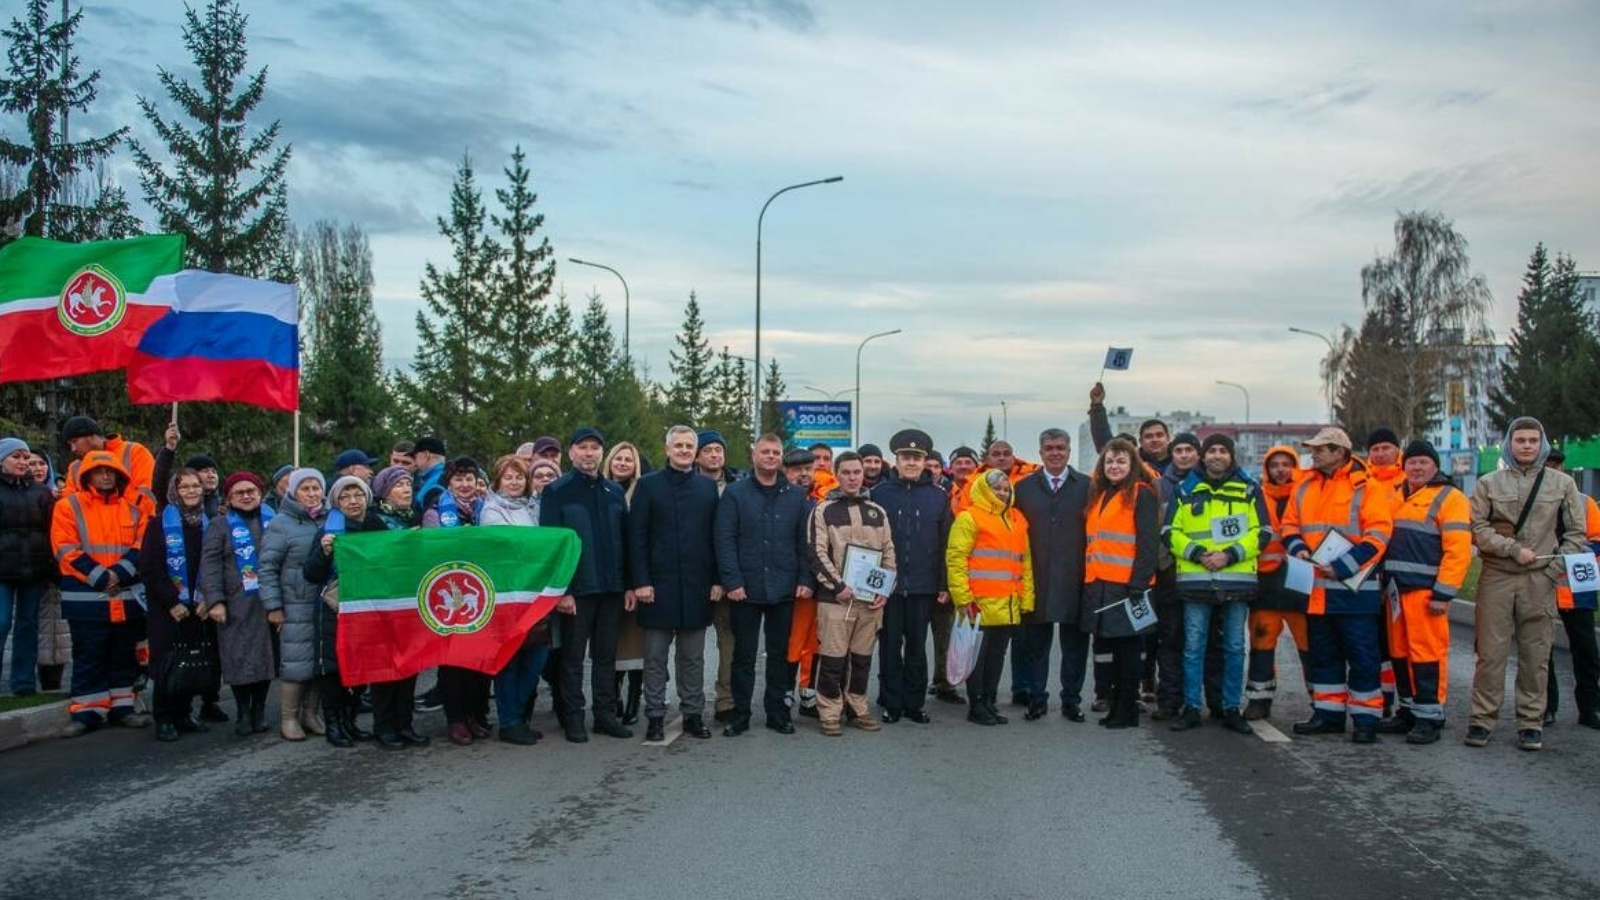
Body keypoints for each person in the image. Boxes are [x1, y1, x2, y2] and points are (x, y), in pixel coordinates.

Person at [1467, 417, 1587, 751]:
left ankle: (1531, 723)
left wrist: (1552, 571)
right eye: (1520, 440)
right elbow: (1477, 528)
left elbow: (1576, 534)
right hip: (1498, 576)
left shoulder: (1562, 484)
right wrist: (1511, 549)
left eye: (1533, 440)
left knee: (1536, 655)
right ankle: (1481, 720)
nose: (1527, 446)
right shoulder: (1489, 483)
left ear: (1542, 443)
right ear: (1510, 443)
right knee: (1490, 655)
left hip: (1539, 579)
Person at [1280, 427, 1394, 744]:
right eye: (1313, 449)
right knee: (1324, 656)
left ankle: (1366, 719)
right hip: (1317, 590)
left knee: (1362, 657)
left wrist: (1343, 566)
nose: (1313, 454)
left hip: (1354, 591)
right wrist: (1298, 549)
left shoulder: (1367, 486)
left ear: (1339, 452)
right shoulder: (1304, 486)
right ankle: (1328, 715)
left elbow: (1378, 535)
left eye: (1320, 449)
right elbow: (1289, 525)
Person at [1165, 434, 1264, 736]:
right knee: (1193, 647)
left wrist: (1229, 555)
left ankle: (1231, 707)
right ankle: (1192, 707)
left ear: (1231, 456)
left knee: (1234, 647)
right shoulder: (1185, 489)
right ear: (1203, 456)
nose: (1217, 455)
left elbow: (1262, 532)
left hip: (1236, 580)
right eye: (1212, 451)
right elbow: (1169, 531)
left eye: (1223, 450)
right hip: (1196, 579)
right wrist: (1197, 554)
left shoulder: (1249, 489)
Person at [714, 433, 812, 736]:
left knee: (779, 655)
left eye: (775, 452)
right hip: (745, 589)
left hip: (784, 587)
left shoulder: (796, 496)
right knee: (743, 655)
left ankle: (777, 713)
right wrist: (732, 581)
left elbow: (804, 542)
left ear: (781, 458)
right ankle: (740, 714)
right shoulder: (735, 493)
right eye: (765, 451)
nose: (770, 456)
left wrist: (805, 579)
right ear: (754, 455)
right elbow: (724, 539)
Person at [1374, 440, 1471, 745]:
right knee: (1399, 653)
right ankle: (1408, 711)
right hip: (1395, 591)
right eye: (1412, 462)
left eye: (1423, 462)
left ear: (1435, 466)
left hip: (1426, 592)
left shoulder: (1450, 497)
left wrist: (1443, 594)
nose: (1416, 468)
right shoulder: (1397, 495)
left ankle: (1430, 717)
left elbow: (1458, 551)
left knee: (1427, 654)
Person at [630, 425, 722, 742]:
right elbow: (637, 537)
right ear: (667, 449)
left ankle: (693, 715)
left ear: (695, 452)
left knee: (692, 658)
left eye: (688, 446)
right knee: (655, 657)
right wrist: (641, 581)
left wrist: (717, 580)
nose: (684, 450)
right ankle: (655, 715)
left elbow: (716, 537)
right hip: (657, 586)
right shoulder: (648, 485)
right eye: (678, 445)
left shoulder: (707, 488)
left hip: (697, 585)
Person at [542, 427, 633, 743]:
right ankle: (573, 717)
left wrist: (629, 584)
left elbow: (626, 541)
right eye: (583, 447)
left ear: (601, 453)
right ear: (571, 453)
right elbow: (552, 546)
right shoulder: (557, 491)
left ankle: (605, 716)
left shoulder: (614, 492)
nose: (589, 453)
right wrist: (563, 591)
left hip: (611, 587)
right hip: (577, 590)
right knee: (572, 659)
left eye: (595, 447)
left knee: (606, 657)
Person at [51, 450, 150, 736]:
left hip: (124, 596)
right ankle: (86, 713)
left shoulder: (133, 509)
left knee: (123, 655)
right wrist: (103, 578)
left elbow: (141, 547)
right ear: (87, 477)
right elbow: (64, 548)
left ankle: (123, 708)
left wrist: (118, 574)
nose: (105, 476)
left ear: (120, 476)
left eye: (110, 472)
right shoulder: (68, 506)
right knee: (88, 655)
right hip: (87, 598)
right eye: (99, 472)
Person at [807, 451, 896, 736]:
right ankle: (829, 712)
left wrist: (885, 589)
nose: (852, 477)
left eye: (857, 472)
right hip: (836, 599)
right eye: (846, 472)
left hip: (869, 602)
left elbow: (888, 552)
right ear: (837, 474)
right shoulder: (823, 510)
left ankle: (857, 708)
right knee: (832, 660)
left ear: (863, 474)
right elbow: (816, 553)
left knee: (861, 660)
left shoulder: (877, 511)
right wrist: (838, 586)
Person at [870, 429, 948, 724]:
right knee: (890, 647)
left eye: (917, 457)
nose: (911, 462)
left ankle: (914, 704)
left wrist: (942, 584)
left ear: (925, 461)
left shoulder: (938, 497)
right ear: (897, 460)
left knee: (917, 647)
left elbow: (944, 543)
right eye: (906, 457)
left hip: (923, 586)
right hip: (888, 586)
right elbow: (870, 542)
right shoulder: (879, 494)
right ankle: (891, 702)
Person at [1013, 428, 1091, 722]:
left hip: (1076, 578)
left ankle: (1071, 700)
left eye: (1060, 448)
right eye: (1049, 448)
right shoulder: (1023, 488)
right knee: (1035, 645)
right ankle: (1037, 698)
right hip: (1037, 579)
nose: (1055, 453)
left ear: (1069, 451)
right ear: (1041, 452)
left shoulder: (1087, 486)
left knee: (1075, 646)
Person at [472, 455, 550, 746]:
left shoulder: (534, 507)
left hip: (535, 595)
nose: (515, 482)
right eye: (509, 477)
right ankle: (509, 721)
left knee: (535, 658)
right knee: (510, 661)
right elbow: (508, 548)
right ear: (498, 481)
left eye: (519, 477)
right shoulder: (492, 510)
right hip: (507, 596)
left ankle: (516, 717)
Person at [947, 468, 1034, 726]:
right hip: (978, 603)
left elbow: (1025, 563)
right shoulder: (969, 518)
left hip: (1008, 603)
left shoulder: (1017, 519)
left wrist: (1026, 598)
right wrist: (963, 598)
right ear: (984, 490)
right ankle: (976, 705)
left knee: (996, 657)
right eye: (997, 488)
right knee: (977, 657)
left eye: (1006, 489)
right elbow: (956, 559)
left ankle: (989, 701)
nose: (1002, 493)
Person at [1083, 438, 1160, 730]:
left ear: (1132, 465)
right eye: (1110, 461)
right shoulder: (1101, 494)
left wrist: (1139, 582)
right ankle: (1115, 706)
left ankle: (1127, 710)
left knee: (1129, 651)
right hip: (1100, 584)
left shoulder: (1142, 493)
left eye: (1121, 461)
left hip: (1128, 586)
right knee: (1112, 650)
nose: (1114, 466)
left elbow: (1148, 542)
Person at [421, 457, 497, 745]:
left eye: (469, 479)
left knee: (480, 658)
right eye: (458, 479)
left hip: (482, 591)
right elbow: (431, 552)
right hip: (451, 593)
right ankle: (456, 718)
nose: (465, 485)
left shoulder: (485, 509)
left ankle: (475, 714)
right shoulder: (435, 513)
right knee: (454, 661)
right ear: (448, 483)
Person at [298, 475, 377, 748]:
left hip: (366, 605)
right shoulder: (328, 532)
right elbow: (311, 574)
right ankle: (334, 722)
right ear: (336, 502)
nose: (353, 501)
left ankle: (350, 720)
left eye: (358, 495)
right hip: (335, 607)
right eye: (345, 496)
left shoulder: (376, 526)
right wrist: (324, 552)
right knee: (333, 667)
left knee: (361, 664)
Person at [138, 469, 213, 741]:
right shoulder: (159, 524)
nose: (192, 491)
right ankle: (165, 718)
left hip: (199, 605)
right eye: (185, 487)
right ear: (175, 491)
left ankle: (184, 713)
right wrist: (171, 601)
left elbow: (214, 564)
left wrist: (208, 598)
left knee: (191, 660)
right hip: (167, 607)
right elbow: (149, 567)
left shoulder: (208, 523)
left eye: (196, 486)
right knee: (167, 662)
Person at [199, 472, 277, 736]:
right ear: (229, 498)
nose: (246, 496)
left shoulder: (273, 520)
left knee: (266, 659)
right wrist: (215, 601)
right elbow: (210, 565)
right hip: (235, 603)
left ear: (260, 493)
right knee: (238, 658)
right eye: (239, 493)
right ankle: (243, 711)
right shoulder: (219, 525)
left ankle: (259, 711)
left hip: (269, 602)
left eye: (251, 491)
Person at [260, 468, 329, 742]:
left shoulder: (330, 519)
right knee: (295, 663)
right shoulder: (281, 523)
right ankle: (288, 718)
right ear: (293, 492)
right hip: (295, 603)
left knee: (318, 661)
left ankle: (311, 713)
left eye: (316, 488)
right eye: (305, 489)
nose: (312, 494)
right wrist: (273, 606)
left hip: (323, 602)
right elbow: (267, 567)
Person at [363, 466, 429, 746]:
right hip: (383, 601)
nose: (406, 490)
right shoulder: (372, 520)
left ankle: (405, 723)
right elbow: (371, 558)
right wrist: (402, 543)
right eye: (399, 485)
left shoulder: (414, 516)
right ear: (384, 491)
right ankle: (384, 726)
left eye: (408, 485)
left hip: (410, 600)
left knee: (410, 664)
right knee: (385, 666)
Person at [1245, 445, 1310, 720]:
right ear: (1266, 469)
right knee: (1261, 642)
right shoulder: (1256, 496)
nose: (1281, 470)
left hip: (1300, 582)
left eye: (1286, 464)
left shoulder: (1307, 494)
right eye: (1275, 465)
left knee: (1309, 644)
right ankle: (1259, 699)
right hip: (1266, 581)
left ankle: (1322, 701)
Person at [1544, 448, 1600, 730]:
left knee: (1587, 651)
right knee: (1542, 653)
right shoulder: (1532, 501)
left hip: (1578, 588)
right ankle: (1546, 707)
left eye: (1556, 466)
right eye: (1547, 465)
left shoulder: (1584, 502)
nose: (1552, 470)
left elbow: (1597, 539)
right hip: (1543, 586)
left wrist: (1573, 552)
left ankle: (1590, 708)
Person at [0, 438, 54, 698]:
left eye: (25, 457)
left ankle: (23, 685)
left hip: (34, 568)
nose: (22, 462)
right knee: (1, 623)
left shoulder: (41, 492)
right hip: (2, 570)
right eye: (16, 457)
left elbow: (51, 529)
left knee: (28, 625)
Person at [696, 429, 741, 724]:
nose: (714, 455)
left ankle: (726, 700)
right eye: (708, 450)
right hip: (693, 576)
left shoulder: (737, 487)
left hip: (727, 577)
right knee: (690, 644)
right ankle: (691, 703)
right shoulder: (686, 485)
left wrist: (728, 578)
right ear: (697, 456)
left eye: (718, 450)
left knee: (728, 641)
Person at [604, 442, 646, 725]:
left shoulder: (642, 491)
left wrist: (636, 581)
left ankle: (633, 700)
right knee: (610, 643)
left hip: (634, 579)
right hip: (608, 579)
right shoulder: (601, 489)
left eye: (628, 459)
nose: (622, 463)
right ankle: (612, 697)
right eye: (617, 458)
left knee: (635, 644)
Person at [782, 446, 824, 716]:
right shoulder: (782, 500)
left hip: (821, 584)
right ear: (786, 472)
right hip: (794, 584)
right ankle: (786, 690)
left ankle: (809, 692)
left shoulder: (823, 499)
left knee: (815, 640)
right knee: (794, 641)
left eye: (808, 468)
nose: (804, 474)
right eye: (797, 470)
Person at [58, 415, 157, 514]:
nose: (73, 449)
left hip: (133, 522)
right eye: (70, 444)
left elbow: (146, 494)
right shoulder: (75, 468)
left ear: (92, 436)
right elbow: (69, 505)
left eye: (75, 442)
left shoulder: (134, 452)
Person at [411, 436, 449, 511]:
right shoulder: (449, 477)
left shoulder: (437, 482)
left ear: (426, 455)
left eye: (416, 457)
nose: (415, 462)